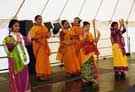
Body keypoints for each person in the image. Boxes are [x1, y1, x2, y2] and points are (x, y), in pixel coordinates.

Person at [3, 19, 31, 92]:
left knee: (24, 76)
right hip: (14, 60)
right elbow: (9, 47)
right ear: (11, 27)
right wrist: (16, 42)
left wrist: (29, 38)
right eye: (16, 26)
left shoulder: (21, 36)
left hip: (23, 59)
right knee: (17, 77)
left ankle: (24, 89)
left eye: (19, 26)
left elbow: (28, 43)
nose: (18, 27)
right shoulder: (9, 37)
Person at [78, 21, 100, 86]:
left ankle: (90, 78)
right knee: (85, 65)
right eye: (86, 27)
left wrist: (99, 35)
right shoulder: (81, 33)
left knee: (91, 65)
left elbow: (94, 41)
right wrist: (84, 36)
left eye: (89, 27)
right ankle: (85, 78)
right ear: (83, 27)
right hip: (84, 51)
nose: (88, 28)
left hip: (90, 51)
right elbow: (81, 43)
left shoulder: (90, 34)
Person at [31, 15, 51, 80]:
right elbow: (33, 37)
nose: (40, 20)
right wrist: (41, 36)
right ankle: (40, 74)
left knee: (45, 60)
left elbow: (47, 37)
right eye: (39, 19)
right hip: (38, 46)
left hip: (44, 45)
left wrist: (49, 34)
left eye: (41, 19)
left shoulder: (44, 27)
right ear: (36, 20)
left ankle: (45, 74)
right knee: (40, 61)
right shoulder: (34, 28)